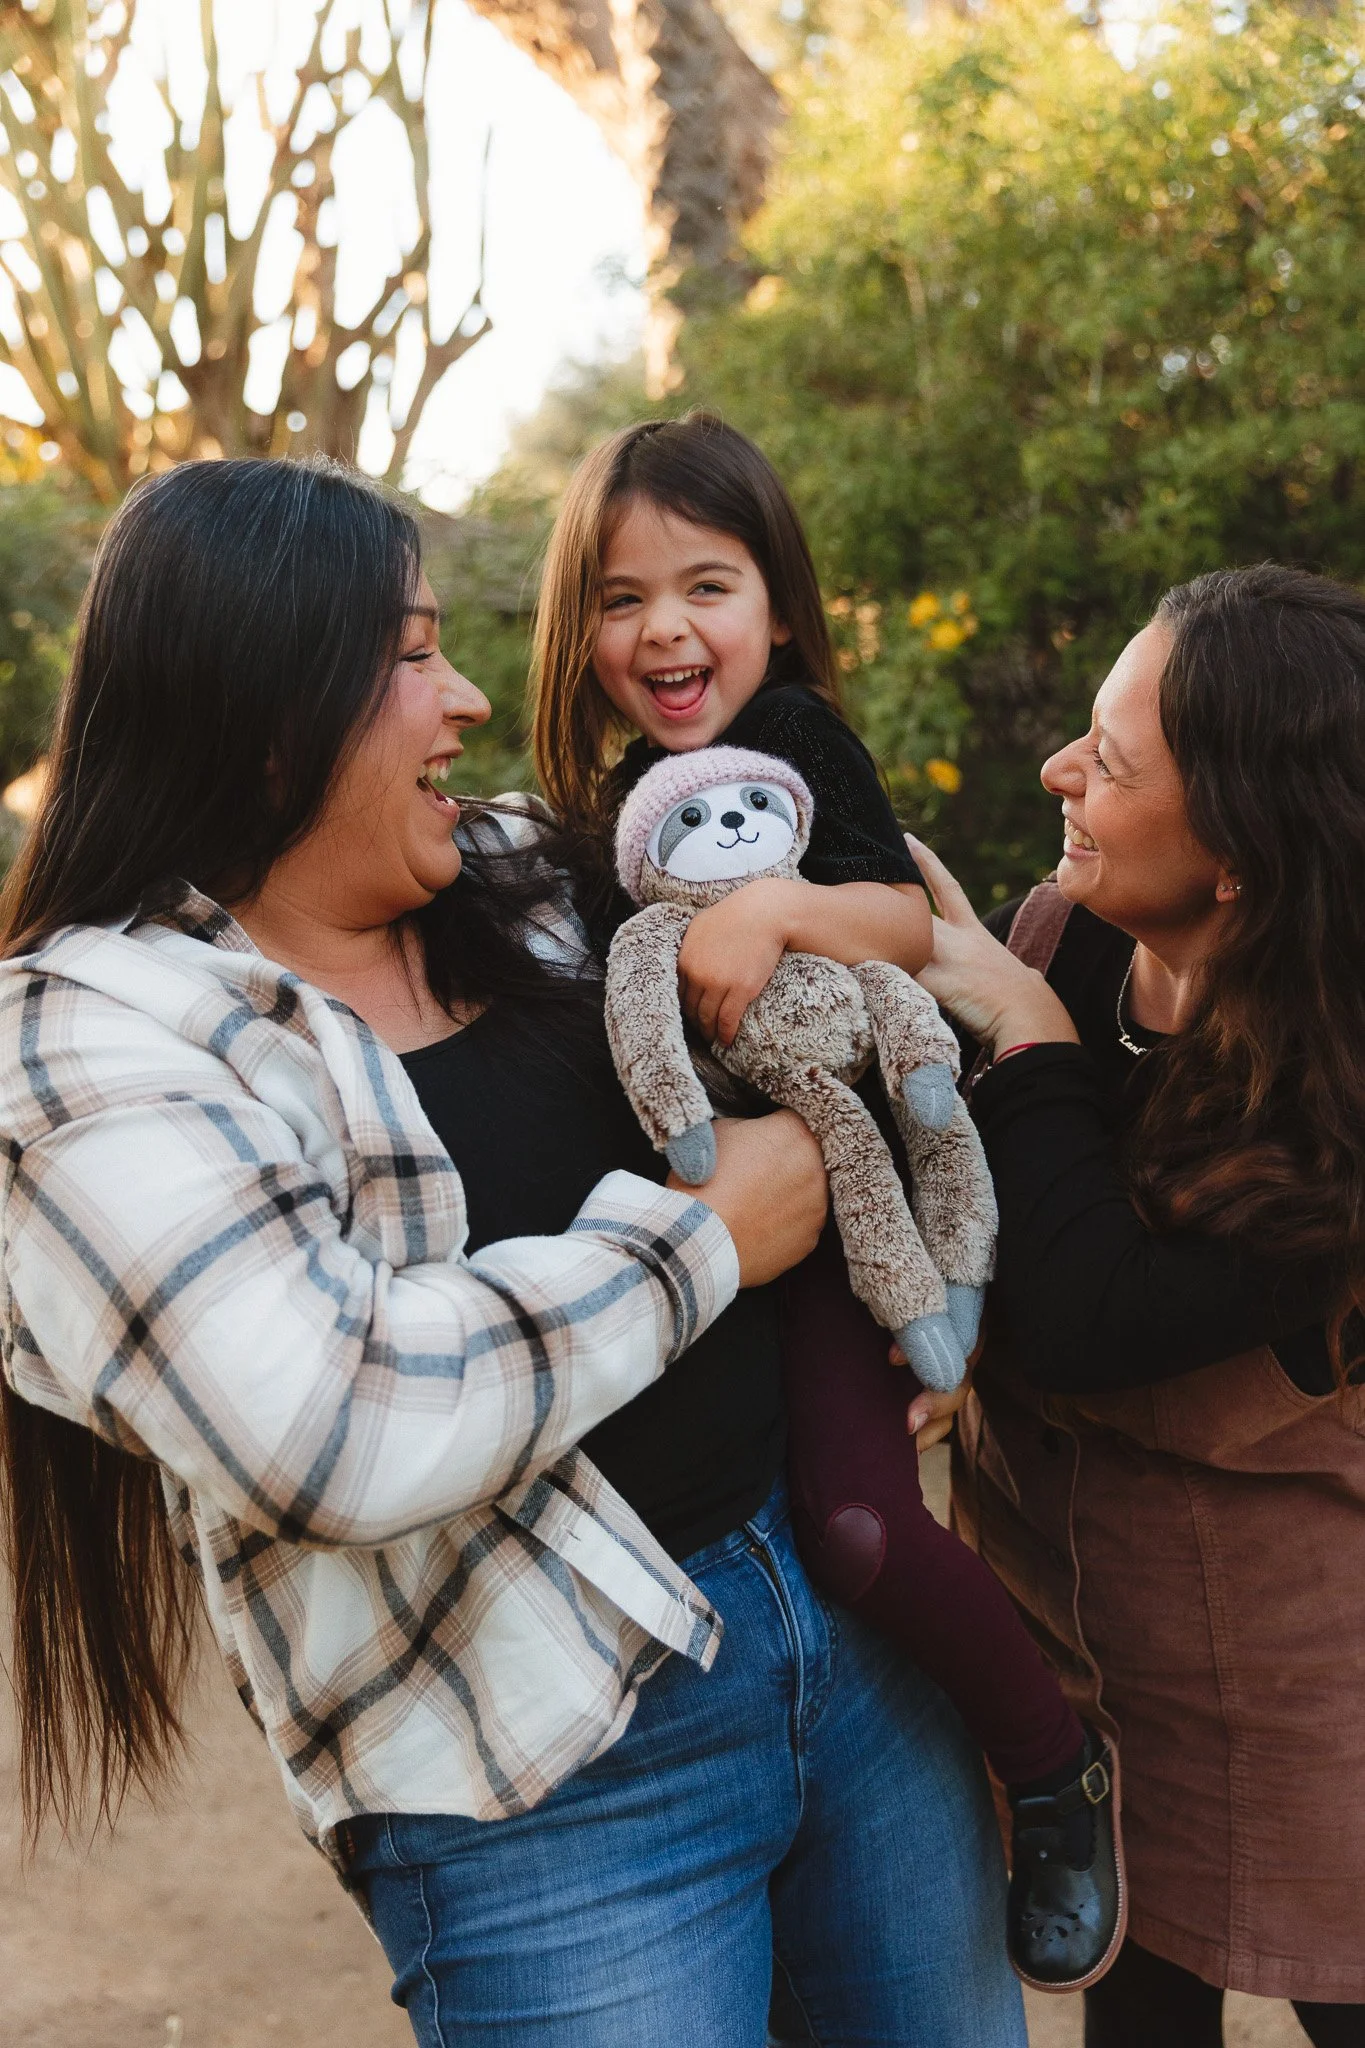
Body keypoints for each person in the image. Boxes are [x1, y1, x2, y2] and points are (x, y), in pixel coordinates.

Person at [0, 456, 1026, 2048]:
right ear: (270, 702)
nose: (468, 696)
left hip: (850, 1643)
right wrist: (701, 1243)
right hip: (547, 1783)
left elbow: (861, 948)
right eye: (413, 655)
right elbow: (327, 1422)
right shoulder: (93, 1035)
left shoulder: (520, 878)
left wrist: (904, 1306)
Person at [529, 409, 1123, 1991]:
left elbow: (899, 925)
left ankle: (1051, 1764)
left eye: (705, 584)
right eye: (619, 595)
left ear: (777, 605)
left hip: (850, 1224)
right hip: (707, 1237)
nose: (664, 628)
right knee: (793, 1547)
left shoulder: (797, 746)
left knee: (861, 1534)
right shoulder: (598, 818)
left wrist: (781, 906)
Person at [910, 564, 1365, 2047]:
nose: (1059, 773)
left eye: (1106, 761)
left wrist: (1032, 1045)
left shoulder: (1337, 1106)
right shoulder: (1076, 932)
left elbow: (1088, 1318)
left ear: (1234, 854)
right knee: (1140, 2018)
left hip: (1304, 1685)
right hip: (1088, 1660)